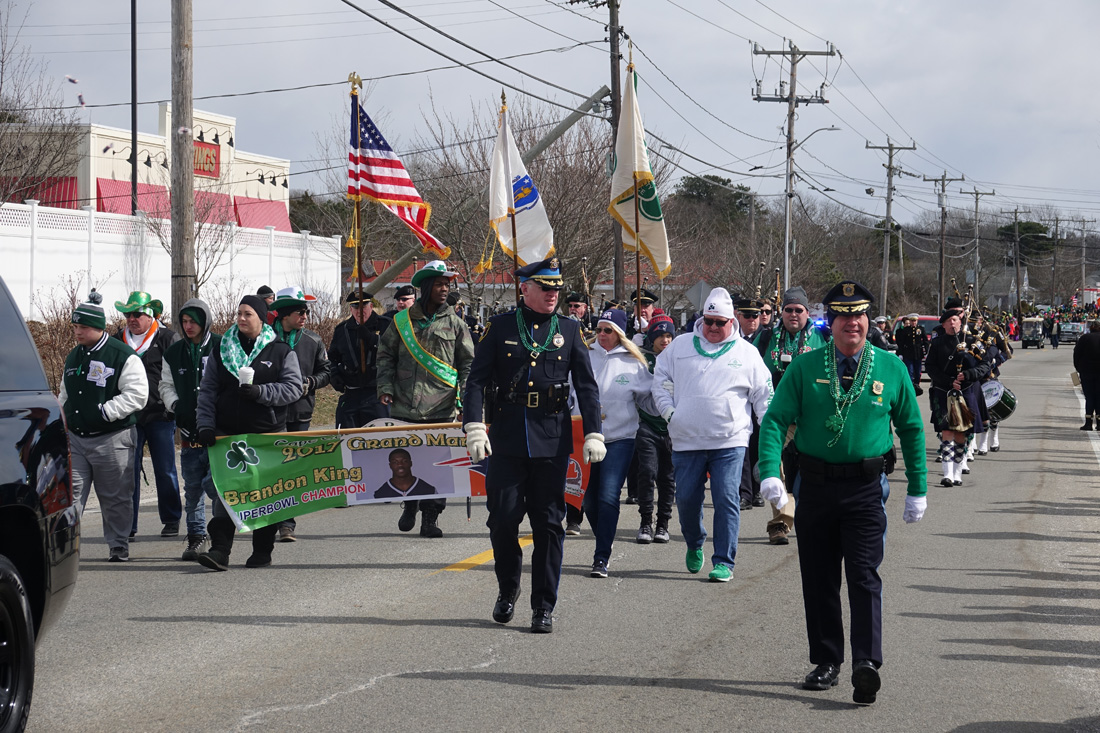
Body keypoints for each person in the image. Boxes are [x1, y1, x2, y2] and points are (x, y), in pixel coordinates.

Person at [758, 279, 926, 706]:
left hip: (866, 488)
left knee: (864, 576)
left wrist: (918, 489)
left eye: (859, 316)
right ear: (829, 323)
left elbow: (910, 428)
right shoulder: (805, 366)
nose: (852, 323)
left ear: (868, 320)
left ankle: (865, 664)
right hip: (813, 486)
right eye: (843, 317)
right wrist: (769, 471)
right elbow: (775, 419)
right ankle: (827, 660)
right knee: (818, 578)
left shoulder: (890, 367)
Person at [463, 257, 604, 633]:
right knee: (503, 520)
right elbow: (476, 380)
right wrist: (474, 425)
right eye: (545, 288)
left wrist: (593, 432)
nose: (552, 295)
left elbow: (587, 388)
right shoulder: (500, 326)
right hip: (508, 438)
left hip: (552, 440)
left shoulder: (571, 330)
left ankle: (543, 606)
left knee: (548, 526)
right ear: (524, 288)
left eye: (556, 289)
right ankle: (507, 589)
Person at [651, 287, 774, 583]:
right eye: (709, 321)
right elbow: (660, 380)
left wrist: (769, 431)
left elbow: (763, 395)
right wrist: (669, 413)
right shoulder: (680, 346)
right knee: (688, 500)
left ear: (731, 322)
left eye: (720, 322)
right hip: (686, 438)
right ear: (702, 319)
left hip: (729, 440)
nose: (714, 328)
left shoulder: (747, 353)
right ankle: (695, 542)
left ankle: (724, 561)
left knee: (726, 498)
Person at [194, 295, 303, 571]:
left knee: (264, 495)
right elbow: (207, 391)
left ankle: (262, 551)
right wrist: (205, 425)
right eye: (239, 313)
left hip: (265, 436)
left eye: (248, 314)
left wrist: (261, 393)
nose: (241, 319)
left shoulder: (280, 351)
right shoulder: (222, 350)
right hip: (227, 436)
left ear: (263, 318)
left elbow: (293, 388)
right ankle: (220, 551)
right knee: (225, 495)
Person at [376, 260, 475, 538]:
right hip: (405, 405)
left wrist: (464, 398)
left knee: (437, 467)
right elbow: (385, 357)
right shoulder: (401, 322)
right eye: (440, 284)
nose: (445, 289)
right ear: (427, 287)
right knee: (407, 460)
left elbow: (467, 364)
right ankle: (410, 504)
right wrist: (385, 387)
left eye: (448, 284)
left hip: (442, 407)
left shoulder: (456, 323)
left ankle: (430, 517)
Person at [62, 290, 149, 562]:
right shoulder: (74, 356)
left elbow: (137, 395)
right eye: (75, 327)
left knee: (115, 497)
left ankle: (118, 544)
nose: (77, 332)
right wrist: (64, 417)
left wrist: (105, 412)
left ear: (98, 328)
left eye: (83, 327)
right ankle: (66, 549)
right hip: (77, 439)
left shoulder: (122, 355)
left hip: (112, 438)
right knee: (71, 497)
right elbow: (65, 393)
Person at [752, 286, 830, 545]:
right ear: (781, 311)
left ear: (808, 312)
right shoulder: (765, 338)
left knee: (814, 469)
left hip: (814, 414)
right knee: (776, 464)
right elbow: (750, 369)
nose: (793, 314)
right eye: (788, 310)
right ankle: (779, 523)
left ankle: (818, 517)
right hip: (779, 414)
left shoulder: (824, 337)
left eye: (799, 310)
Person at [582, 308, 652, 578]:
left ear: (620, 334)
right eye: (599, 329)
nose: (601, 335)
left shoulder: (633, 362)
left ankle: (601, 557)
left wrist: (669, 399)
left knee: (608, 495)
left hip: (620, 437)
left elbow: (649, 398)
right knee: (587, 501)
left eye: (608, 330)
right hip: (585, 436)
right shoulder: (584, 355)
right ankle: (605, 536)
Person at [113, 290, 182, 538]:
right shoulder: (118, 339)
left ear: (150, 315)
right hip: (128, 416)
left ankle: (172, 519)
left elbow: (177, 375)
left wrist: (175, 405)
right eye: (128, 314)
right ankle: (128, 526)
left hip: (160, 415)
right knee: (127, 471)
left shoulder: (167, 338)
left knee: (164, 469)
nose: (132, 319)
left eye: (137, 314)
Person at [159, 298, 221, 561]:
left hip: (217, 432)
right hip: (187, 432)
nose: (188, 326)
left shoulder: (221, 346)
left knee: (215, 485)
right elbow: (165, 385)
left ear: (204, 321)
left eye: (193, 321)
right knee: (192, 488)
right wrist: (176, 405)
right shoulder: (174, 353)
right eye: (184, 322)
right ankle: (196, 536)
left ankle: (220, 535)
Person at [269, 286, 332, 542]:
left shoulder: (313, 340)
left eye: (307, 311)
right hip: (270, 414)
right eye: (300, 311)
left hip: (301, 414)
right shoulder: (265, 340)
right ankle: (266, 517)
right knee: (272, 469)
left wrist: (311, 383)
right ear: (284, 315)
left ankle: (287, 523)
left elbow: (327, 372)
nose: (305, 315)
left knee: (292, 468)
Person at [924, 299, 991, 487]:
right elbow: (930, 367)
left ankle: (957, 471)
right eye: (948, 321)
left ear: (960, 322)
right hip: (944, 391)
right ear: (943, 324)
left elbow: (985, 364)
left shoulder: (972, 341)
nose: (952, 323)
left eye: (955, 320)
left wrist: (969, 374)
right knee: (946, 431)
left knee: (962, 434)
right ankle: (947, 474)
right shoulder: (937, 344)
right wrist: (948, 381)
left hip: (967, 390)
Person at [633, 315, 677, 544]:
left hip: (672, 427)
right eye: (660, 335)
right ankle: (645, 523)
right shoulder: (643, 359)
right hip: (647, 424)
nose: (665, 340)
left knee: (667, 477)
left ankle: (663, 524)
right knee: (647, 472)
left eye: (669, 335)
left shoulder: (679, 359)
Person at [329, 290, 391, 428]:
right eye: (356, 307)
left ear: (371, 306)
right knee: (346, 436)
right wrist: (334, 374)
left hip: (376, 392)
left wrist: (373, 339)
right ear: (351, 309)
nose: (360, 311)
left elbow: (395, 350)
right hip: (351, 392)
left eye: (363, 306)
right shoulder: (342, 329)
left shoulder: (385, 325)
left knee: (379, 438)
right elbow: (332, 358)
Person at [734, 296, 767, 511]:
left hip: (760, 397)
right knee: (743, 449)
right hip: (739, 400)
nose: (753, 319)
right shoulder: (732, 339)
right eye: (747, 315)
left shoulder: (767, 337)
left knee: (757, 446)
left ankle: (757, 491)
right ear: (737, 316)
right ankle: (744, 493)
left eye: (756, 315)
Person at [374, 448, 439, 499]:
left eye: (404, 461)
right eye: (395, 462)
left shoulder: (429, 490)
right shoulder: (380, 494)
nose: (400, 464)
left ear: (411, 463)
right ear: (390, 465)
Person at [1074, 320, 1100, 430]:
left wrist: (1079, 369)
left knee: (1089, 397)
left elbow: (1076, 355)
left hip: (1087, 373)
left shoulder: (1084, 338)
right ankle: (1099, 424)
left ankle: (1088, 423)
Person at [894, 313, 927, 395]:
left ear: (917, 321)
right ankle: (910, 386)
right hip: (908, 353)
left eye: (915, 321)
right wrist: (901, 353)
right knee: (910, 371)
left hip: (918, 353)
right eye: (912, 321)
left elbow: (926, 341)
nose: (913, 322)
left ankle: (917, 385)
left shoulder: (921, 329)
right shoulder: (906, 330)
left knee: (918, 371)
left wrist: (926, 351)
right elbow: (901, 343)